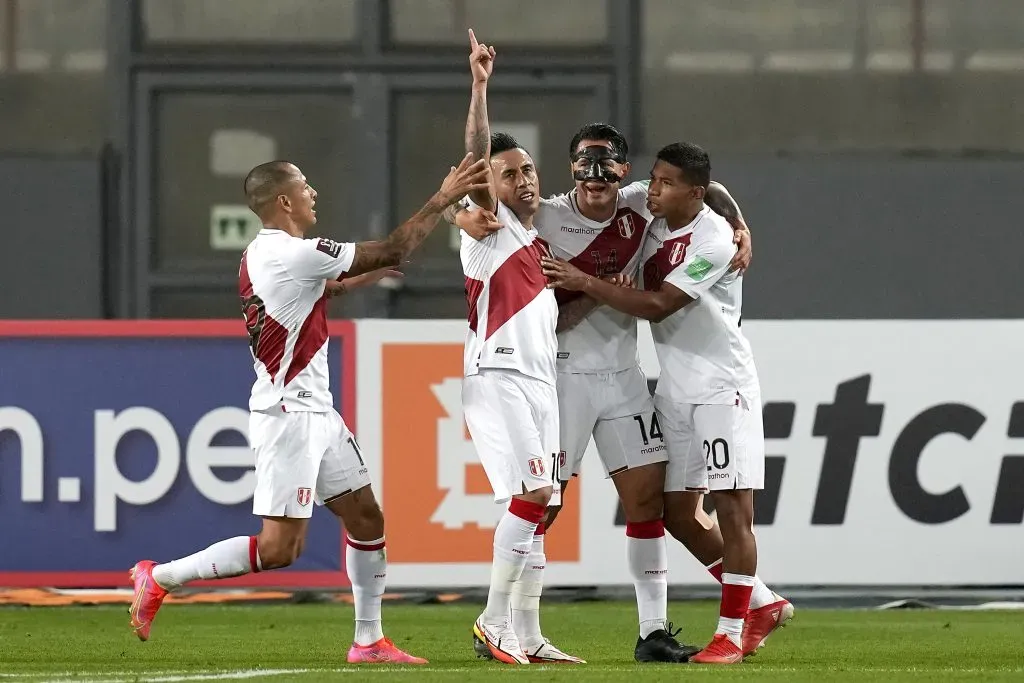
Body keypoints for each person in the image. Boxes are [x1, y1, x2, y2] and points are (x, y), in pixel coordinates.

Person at [127, 154, 491, 665]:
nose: (312, 191)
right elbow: (393, 245)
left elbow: (332, 285)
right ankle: (159, 576)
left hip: (318, 411)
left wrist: (372, 271)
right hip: (289, 415)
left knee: (366, 518)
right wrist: (443, 198)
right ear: (283, 201)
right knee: (280, 550)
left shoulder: (271, 254)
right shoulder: (289, 253)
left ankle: (368, 643)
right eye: (303, 184)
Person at [542, 141, 775, 664]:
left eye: (665, 184)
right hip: (673, 389)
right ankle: (762, 602)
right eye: (653, 180)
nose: (653, 190)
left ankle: (732, 632)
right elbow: (709, 185)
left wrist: (583, 282)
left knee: (734, 513)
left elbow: (659, 306)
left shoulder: (713, 240)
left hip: (721, 388)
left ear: (691, 195)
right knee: (675, 511)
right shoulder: (650, 219)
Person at [454, 29, 584, 666]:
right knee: (532, 499)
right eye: (510, 174)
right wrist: (480, 84)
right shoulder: (488, 225)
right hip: (498, 376)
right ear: (491, 186)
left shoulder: (536, 242)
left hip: (539, 383)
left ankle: (527, 633)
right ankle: (490, 622)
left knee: (542, 506)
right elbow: (477, 153)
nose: (524, 180)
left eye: (529, 169)